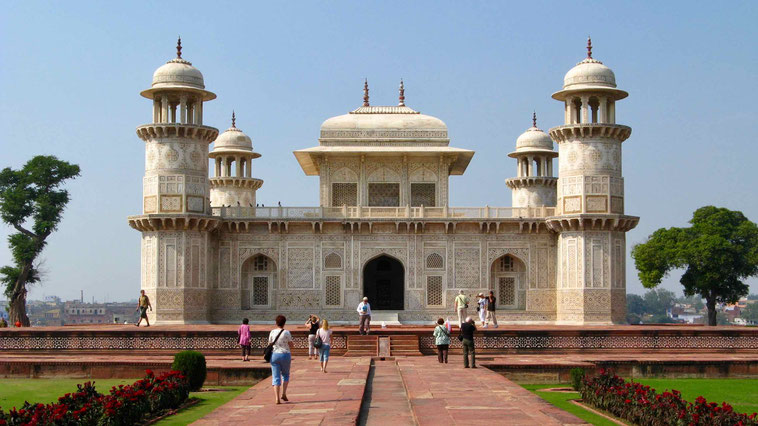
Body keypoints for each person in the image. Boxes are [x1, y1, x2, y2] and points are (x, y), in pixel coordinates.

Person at [269, 315, 294, 404]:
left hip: (275, 355)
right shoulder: (286, 332)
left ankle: (277, 398)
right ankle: (283, 394)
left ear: (276, 323)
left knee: (275, 377)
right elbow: (291, 345)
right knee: (286, 375)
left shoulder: (272, 332)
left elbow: (270, 343)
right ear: (284, 323)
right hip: (285, 355)